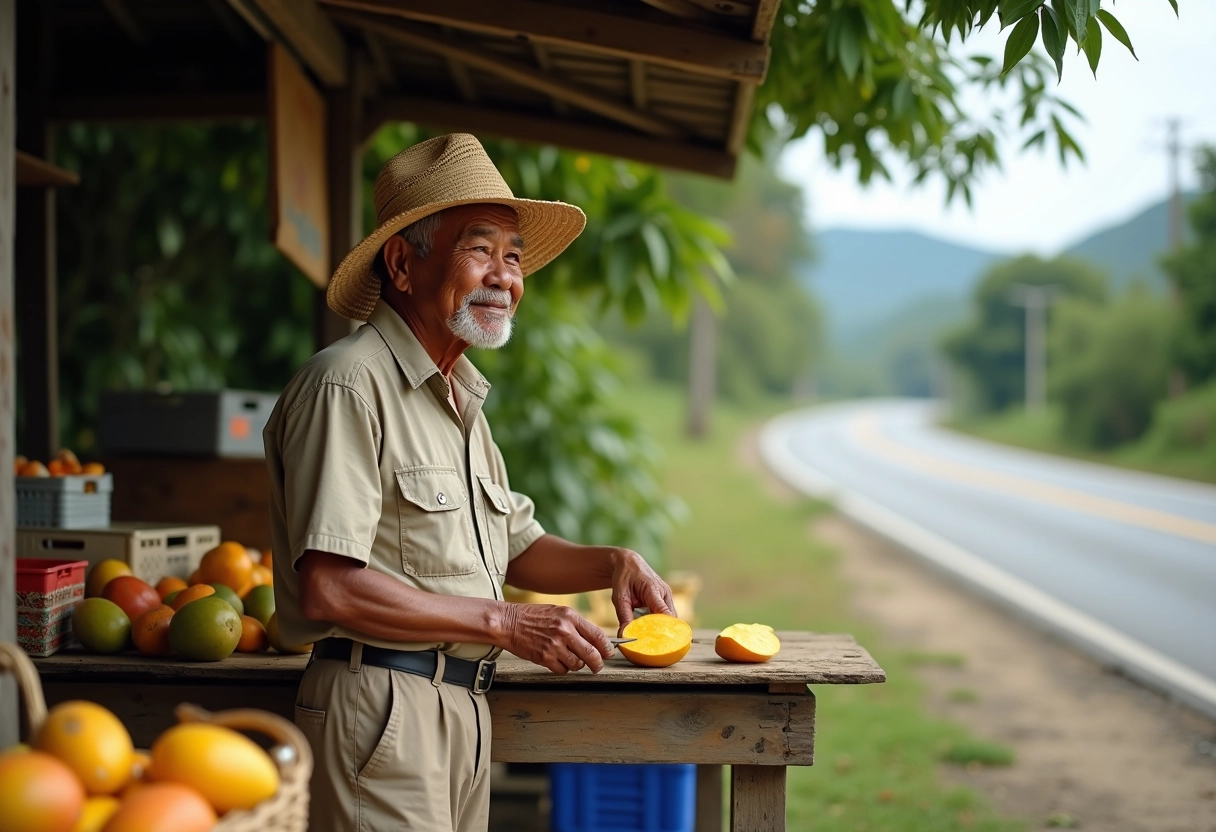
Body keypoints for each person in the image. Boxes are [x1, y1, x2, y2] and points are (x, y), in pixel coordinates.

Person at [263, 133, 676, 832]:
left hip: (460, 713)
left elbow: (515, 546)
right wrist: (506, 622)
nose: (505, 278)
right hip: (382, 708)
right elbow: (330, 587)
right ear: (403, 262)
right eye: (480, 249)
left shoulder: (458, 399)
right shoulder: (348, 384)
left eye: (513, 258)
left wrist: (615, 562)